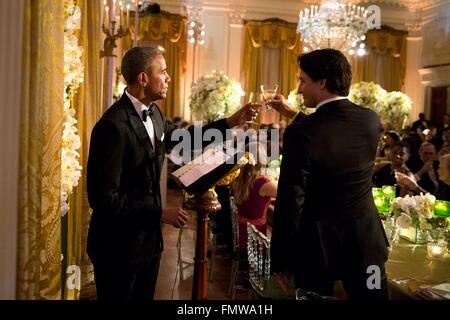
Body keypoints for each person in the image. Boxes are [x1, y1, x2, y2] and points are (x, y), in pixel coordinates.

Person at [86, 46, 253, 300]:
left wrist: (229, 122)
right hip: (117, 247)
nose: (168, 78)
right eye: (163, 72)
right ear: (143, 78)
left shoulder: (153, 113)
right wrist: (159, 213)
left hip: (148, 243)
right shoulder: (112, 127)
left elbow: (186, 138)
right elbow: (103, 198)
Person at [269, 49, 389, 300]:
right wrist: (295, 115)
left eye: (303, 80)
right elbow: (334, 131)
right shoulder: (370, 120)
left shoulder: (300, 133)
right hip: (366, 244)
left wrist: (280, 260)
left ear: (322, 82)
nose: (300, 89)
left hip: (318, 250)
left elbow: (290, 201)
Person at [231, 142, 277, 263]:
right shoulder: (263, 183)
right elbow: (287, 192)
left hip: (239, 236)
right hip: (255, 241)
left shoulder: (237, 179)